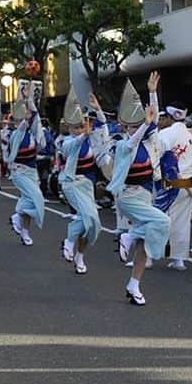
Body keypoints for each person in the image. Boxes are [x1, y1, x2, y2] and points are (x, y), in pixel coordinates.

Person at [109, 73, 170, 306]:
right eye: (131, 125)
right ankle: (128, 235)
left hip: (146, 194)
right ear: (124, 125)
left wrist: (152, 92)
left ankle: (134, 284)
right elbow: (136, 136)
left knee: (145, 242)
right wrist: (143, 124)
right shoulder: (122, 144)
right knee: (162, 222)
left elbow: (152, 119)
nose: (137, 128)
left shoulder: (149, 140)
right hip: (128, 196)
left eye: (139, 124)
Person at [58, 88, 107, 275]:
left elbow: (104, 129)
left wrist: (98, 109)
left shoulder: (93, 139)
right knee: (87, 216)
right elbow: (70, 147)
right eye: (76, 127)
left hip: (87, 185)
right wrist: (82, 135)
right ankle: (70, 240)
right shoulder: (66, 141)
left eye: (83, 125)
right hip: (71, 183)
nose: (80, 128)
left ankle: (80, 255)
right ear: (70, 128)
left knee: (94, 224)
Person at [155, 101, 192, 270]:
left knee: (156, 220)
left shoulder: (165, 134)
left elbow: (155, 158)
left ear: (169, 117)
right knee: (181, 222)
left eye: (163, 117)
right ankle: (178, 259)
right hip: (187, 184)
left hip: (168, 185)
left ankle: (148, 257)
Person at [6, 89, 45, 246]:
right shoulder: (15, 135)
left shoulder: (33, 135)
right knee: (36, 198)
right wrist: (28, 107)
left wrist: (30, 100)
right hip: (19, 172)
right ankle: (17, 216)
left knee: (28, 201)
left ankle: (25, 231)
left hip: (32, 171)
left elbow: (36, 120)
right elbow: (26, 123)